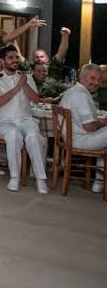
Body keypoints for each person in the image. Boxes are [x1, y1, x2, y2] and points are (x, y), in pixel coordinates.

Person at [0, 45, 48, 193]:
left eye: (16, 57)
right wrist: (16, 88)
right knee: (13, 135)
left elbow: (36, 99)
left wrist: (24, 83)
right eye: (11, 58)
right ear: (2, 61)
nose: (15, 60)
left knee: (34, 136)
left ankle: (41, 179)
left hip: (25, 119)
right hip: (3, 121)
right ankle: (15, 177)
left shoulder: (26, 77)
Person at [59, 63, 106, 194]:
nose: (96, 82)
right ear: (82, 77)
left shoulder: (73, 90)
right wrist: (104, 122)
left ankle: (98, 183)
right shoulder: (81, 95)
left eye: (99, 79)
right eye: (92, 78)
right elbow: (89, 127)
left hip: (71, 137)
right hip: (79, 140)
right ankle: (99, 182)